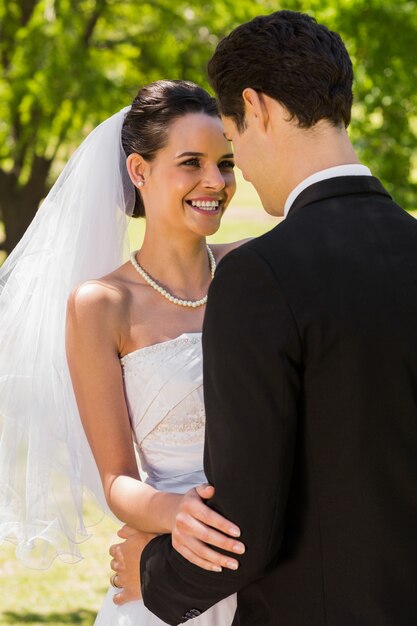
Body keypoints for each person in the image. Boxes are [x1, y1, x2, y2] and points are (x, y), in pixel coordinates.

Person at [114, 10, 417, 626]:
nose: (240, 169)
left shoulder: (260, 275)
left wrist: (153, 570)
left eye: (233, 137)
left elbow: (243, 525)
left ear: (259, 108)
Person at [0, 79, 246, 624]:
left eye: (225, 162)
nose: (216, 181)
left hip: (266, 567)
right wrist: (178, 516)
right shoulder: (101, 306)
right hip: (168, 565)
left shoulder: (252, 271)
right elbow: (117, 481)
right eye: (192, 162)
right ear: (139, 171)